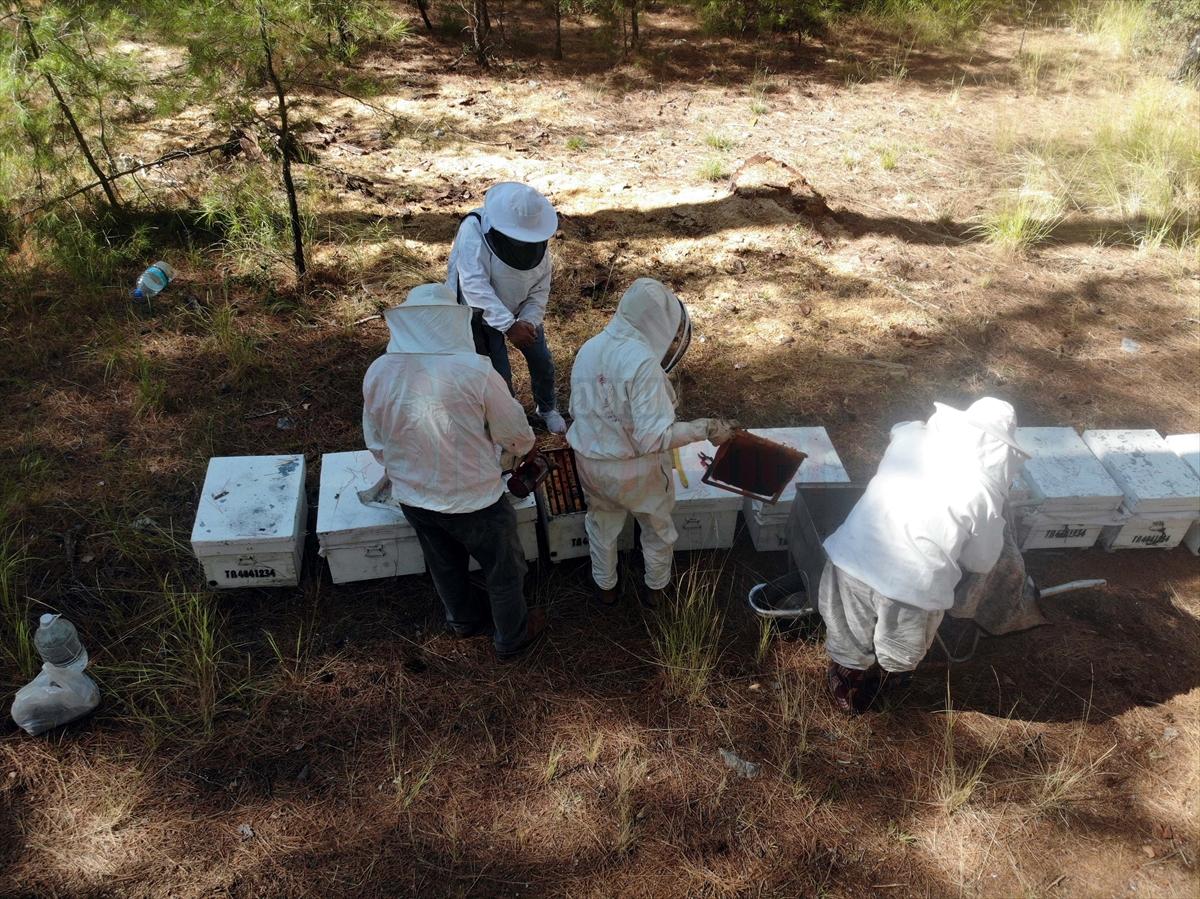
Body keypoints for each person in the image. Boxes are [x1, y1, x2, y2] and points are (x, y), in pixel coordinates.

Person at [362, 283, 545, 662]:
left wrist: (416, 466)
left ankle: (462, 621)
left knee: (444, 564)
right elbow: (514, 435)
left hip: (413, 497)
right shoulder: (476, 370)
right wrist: (526, 449)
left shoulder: (378, 371)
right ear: (452, 323)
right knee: (503, 568)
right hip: (475, 499)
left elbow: (376, 443)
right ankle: (511, 636)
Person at [818, 397, 1029, 712]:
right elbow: (982, 561)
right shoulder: (983, 495)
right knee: (899, 645)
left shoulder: (911, 440)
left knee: (848, 630)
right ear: (1002, 451)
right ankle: (884, 688)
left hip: (849, 559)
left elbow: (901, 428)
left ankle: (847, 688)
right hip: (913, 585)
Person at [567, 278, 736, 607]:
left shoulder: (589, 348)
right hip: (638, 470)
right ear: (658, 323)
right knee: (657, 530)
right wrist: (707, 428)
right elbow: (655, 437)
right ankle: (656, 591)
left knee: (601, 526)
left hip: (591, 464)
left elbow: (577, 411)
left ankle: (606, 589)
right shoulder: (642, 362)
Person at [447, 182, 566, 434]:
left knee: (542, 361)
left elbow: (539, 288)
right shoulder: (474, 229)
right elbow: (473, 284)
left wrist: (527, 321)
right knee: (499, 377)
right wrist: (508, 325)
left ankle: (546, 408)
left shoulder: (538, 240)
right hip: (481, 313)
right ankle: (511, 424)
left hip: (521, 314)